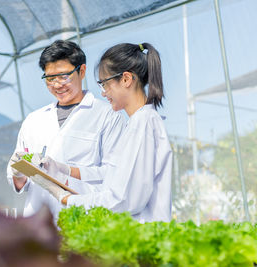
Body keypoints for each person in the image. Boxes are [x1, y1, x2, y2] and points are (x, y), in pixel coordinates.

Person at [32, 42, 172, 222]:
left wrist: (67, 198)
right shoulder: (138, 122)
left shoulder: (143, 123)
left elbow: (124, 200)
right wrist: (64, 169)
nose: (104, 94)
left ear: (126, 79)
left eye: (105, 84)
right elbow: (111, 175)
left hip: (140, 232)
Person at [7, 40, 125, 219]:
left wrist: (64, 172)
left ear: (82, 71)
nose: (56, 85)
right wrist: (18, 173)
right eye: (50, 78)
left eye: (63, 76)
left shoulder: (107, 115)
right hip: (38, 223)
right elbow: (20, 183)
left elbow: (114, 174)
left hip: (83, 220)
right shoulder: (33, 120)